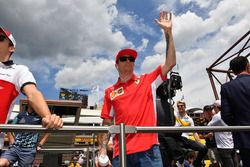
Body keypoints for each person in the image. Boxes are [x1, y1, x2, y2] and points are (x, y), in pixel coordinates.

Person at [97, 11, 176, 167]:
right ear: (116, 65)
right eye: (123, 58)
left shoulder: (148, 80)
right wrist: (102, 151)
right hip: (121, 152)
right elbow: (106, 123)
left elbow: (170, 63)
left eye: (131, 59)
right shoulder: (109, 91)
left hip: (149, 151)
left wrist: (168, 33)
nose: (128, 61)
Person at [0, 27, 63, 128]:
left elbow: (32, 93)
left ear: (11, 48)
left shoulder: (18, 71)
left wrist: (49, 117)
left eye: (1, 38)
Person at [220, 56, 250, 167]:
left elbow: (226, 116)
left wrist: (239, 126)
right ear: (247, 66)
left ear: (233, 71)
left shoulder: (226, 88)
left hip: (244, 138)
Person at [175, 100, 208, 167]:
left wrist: (199, 143)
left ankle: (196, 163)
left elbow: (194, 132)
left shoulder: (189, 119)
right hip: (177, 139)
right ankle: (181, 162)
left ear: (185, 106)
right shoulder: (175, 115)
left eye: (181, 106)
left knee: (204, 149)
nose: (180, 107)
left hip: (186, 140)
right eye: (178, 106)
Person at [207, 100, 238, 167]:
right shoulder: (228, 114)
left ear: (216, 107)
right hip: (231, 144)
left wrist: (213, 116)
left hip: (223, 146)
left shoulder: (217, 116)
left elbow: (208, 126)